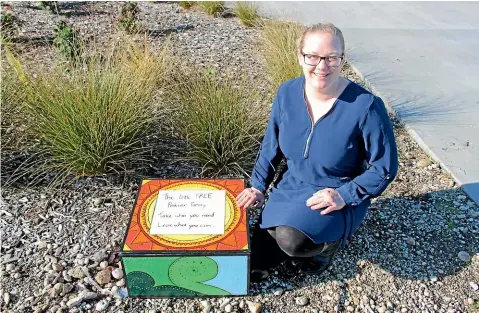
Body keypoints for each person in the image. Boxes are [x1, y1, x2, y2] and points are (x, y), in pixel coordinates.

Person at [236, 22, 398, 278]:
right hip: (292, 184)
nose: (322, 66)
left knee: (292, 241)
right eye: (313, 56)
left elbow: (384, 168)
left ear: (342, 60)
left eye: (332, 58)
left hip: (336, 191)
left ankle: (326, 248)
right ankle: (293, 230)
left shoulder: (366, 106)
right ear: (300, 56)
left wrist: (345, 195)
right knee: (257, 261)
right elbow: (271, 145)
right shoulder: (287, 92)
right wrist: (257, 186)